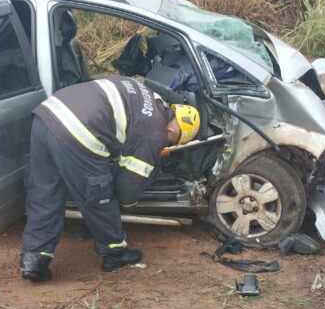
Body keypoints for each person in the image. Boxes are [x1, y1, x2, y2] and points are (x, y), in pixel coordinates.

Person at [20, 74, 200, 281]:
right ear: (171, 129)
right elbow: (127, 191)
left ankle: (34, 259)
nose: (166, 145)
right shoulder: (156, 132)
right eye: (172, 141)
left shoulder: (149, 95)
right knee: (98, 193)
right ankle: (114, 253)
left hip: (48, 114)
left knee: (44, 190)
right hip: (80, 129)